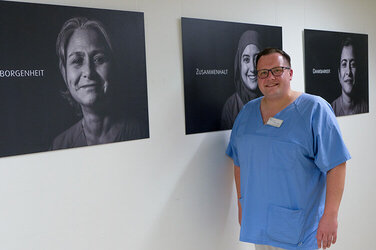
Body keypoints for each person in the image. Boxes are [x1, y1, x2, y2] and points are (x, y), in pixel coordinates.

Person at [226, 48, 350, 250]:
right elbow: (238, 161)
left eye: (277, 70)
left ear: (290, 73)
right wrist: (242, 204)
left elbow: (336, 164)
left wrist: (330, 216)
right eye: (263, 73)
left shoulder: (314, 110)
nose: (270, 77)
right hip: (260, 222)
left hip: (299, 226)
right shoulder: (247, 113)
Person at [51, 17, 147, 150]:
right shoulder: (59, 145)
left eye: (99, 59)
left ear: (114, 66)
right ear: (64, 72)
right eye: (77, 61)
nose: (89, 72)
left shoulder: (141, 132)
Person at [220, 30, 262, 130]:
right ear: (239, 64)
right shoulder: (231, 107)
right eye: (246, 59)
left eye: (257, 59)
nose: (252, 68)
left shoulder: (273, 101)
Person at [331, 37, 368, 116]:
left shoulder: (365, 107)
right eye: (344, 64)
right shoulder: (331, 109)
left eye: (353, 64)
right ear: (339, 73)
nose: (348, 72)